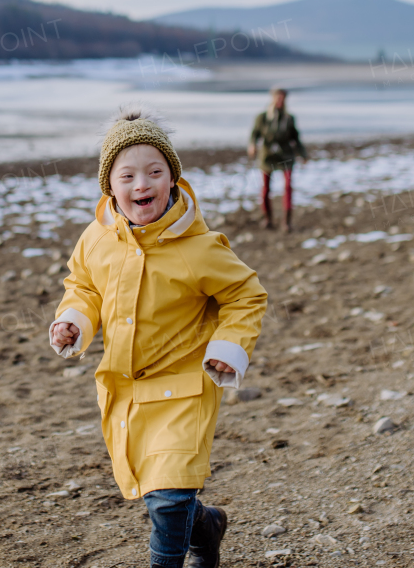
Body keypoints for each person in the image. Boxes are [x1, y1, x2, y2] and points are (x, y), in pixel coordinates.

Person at [49, 106, 267, 568]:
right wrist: (75, 319)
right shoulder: (96, 239)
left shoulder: (199, 247)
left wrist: (229, 347)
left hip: (187, 384)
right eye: (126, 176)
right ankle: (208, 528)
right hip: (127, 386)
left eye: (154, 172)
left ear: (173, 179)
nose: (141, 185)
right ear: (110, 186)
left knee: (169, 496)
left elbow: (246, 296)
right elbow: (84, 286)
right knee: (160, 495)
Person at [247, 87, 308, 231]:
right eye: (278, 97)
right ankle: (268, 219)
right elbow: (254, 134)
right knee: (266, 188)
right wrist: (252, 145)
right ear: (272, 98)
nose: (280, 100)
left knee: (287, 187)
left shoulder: (289, 118)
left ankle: (286, 222)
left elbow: (296, 138)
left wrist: (303, 154)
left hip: (286, 156)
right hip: (267, 156)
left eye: (283, 98)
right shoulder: (262, 117)